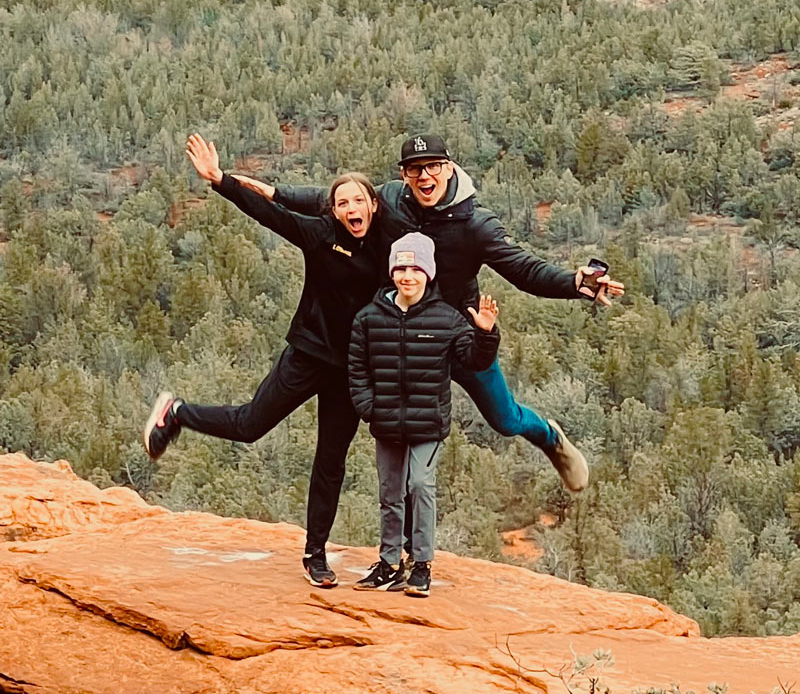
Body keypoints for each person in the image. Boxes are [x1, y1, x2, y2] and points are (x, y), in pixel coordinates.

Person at [235, 133, 625, 494]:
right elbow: (333, 199)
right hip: (403, 335)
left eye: (433, 166)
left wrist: (574, 283)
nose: (425, 176)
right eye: (415, 169)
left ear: (449, 168)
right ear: (404, 176)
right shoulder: (388, 200)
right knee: (399, 437)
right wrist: (276, 193)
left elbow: (524, 269)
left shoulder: (477, 225)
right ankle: (402, 553)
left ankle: (548, 436)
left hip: (459, 334)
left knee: (504, 420)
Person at [143, 134, 409, 588]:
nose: (351, 209)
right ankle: (178, 413)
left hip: (352, 369)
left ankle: (315, 554)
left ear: (373, 206)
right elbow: (270, 215)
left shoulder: (392, 242)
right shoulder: (319, 233)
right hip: (308, 353)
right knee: (250, 426)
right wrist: (220, 181)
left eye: (359, 200)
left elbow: (434, 260)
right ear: (334, 210)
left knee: (331, 460)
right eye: (342, 202)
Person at [348, 233, 499, 597]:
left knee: (419, 486)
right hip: (386, 421)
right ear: (391, 272)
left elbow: (474, 361)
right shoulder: (369, 318)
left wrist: (485, 333)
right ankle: (388, 563)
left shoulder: (446, 319)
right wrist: (369, 407)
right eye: (400, 267)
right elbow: (357, 368)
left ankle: (421, 565)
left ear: (428, 273)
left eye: (415, 268)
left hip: (427, 423)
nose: (407, 275)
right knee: (390, 494)